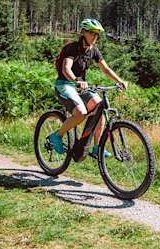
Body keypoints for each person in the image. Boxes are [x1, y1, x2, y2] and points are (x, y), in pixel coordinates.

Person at [48, 18, 127, 159]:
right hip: (65, 84)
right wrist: (77, 81)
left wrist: (119, 81)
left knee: (99, 108)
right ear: (84, 32)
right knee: (80, 112)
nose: (95, 37)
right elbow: (66, 69)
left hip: (80, 86)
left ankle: (97, 148)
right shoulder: (72, 48)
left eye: (97, 34)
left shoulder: (93, 50)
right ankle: (56, 136)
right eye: (92, 33)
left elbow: (106, 68)